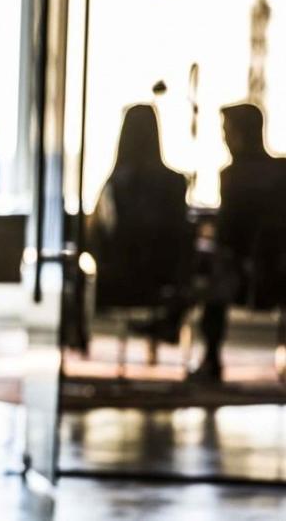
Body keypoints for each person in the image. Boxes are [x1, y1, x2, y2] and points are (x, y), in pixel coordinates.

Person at [192, 102, 286, 382]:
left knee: (213, 270)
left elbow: (230, 232)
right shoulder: (281, 170)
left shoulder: (234, 175)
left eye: (226, 131)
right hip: (278, 266)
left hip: (246, 271)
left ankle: (211, 358)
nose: (224, 138)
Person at [87, 103, 192, 343]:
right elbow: (179, 235)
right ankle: (168, 324)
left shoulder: (113, 184)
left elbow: (97, 234)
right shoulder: (175, 182)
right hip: (163, 279)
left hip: (118, 279)